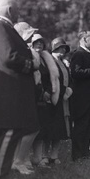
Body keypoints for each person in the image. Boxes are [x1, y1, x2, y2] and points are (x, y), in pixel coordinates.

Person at [0, 0, 39, 179]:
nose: (19, 12)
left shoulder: (4, 27)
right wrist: (31, 64)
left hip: (11, 89)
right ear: (9, 9)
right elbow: (7, 56)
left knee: (12, 131)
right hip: (7, 90)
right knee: (9, 131)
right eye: (17, 9)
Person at [11, 22, 41, 175]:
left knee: (26, 128)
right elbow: (33, 66)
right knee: (31, 128)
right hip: (21, 92)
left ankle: (19, 160)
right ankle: (18, 160)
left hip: (27, 91)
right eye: (28, 34)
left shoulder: (23, 49)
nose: (31, 38)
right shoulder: (19, 50)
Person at [30, 34, 60, 167]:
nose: (39, 45)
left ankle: (39, 157)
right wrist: (41, 93)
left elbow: (50, 77)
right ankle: (31, 157)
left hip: (46, 98)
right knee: (34, 129)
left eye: (41, 43)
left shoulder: (46, 58)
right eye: (36, 43)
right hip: (33, 98)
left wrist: (48, 91)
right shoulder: (31, 57)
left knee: (43, 128)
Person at [69, 30, 90, 161]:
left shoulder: (87, 54)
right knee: (81, 125)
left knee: (88, 125)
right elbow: (75, 72)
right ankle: (77, 154)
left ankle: (84, 152)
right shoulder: (78, 54)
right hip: (81, 97)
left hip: (89, 97)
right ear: (83, 39)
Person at [47, 37, 73, 164]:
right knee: (51, 127)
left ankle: (54, 154)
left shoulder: (63, 62)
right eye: (61, 47)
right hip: (53, 98)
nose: (63, 49)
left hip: (64, 99)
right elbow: (51, 81)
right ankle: (44, 155)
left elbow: (68, 78)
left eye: (64, 47)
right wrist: (63, 90)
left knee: (59, 127)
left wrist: (69, 89)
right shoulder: (49, 61)